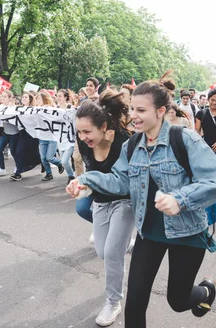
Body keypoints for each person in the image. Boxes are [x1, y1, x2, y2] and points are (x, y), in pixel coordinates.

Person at [67, 75, 216, 327]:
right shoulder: (132, 145)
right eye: (132, 108)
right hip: (148, 233)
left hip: (187, 234)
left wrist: (180, 199)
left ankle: (206, 290)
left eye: (141, 110)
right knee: (134, 306)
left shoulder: (184, 139)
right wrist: (87, 181)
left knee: (177, 301)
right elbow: (120, 182)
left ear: (161, 111)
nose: (134, 115)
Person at [69, 89, 134, 327]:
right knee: (102, 252)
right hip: (100, 203)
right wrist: (80, 187)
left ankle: (113, 302)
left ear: (104, 126)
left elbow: (123, 182)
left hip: (125, 201)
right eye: (79, 132)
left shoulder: (125, 141)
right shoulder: (84, 142)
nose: (83, 137)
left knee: (112, 254)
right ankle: (126, 240)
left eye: (87, 131)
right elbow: (90, 176)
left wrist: (87, 181)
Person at [37, 91, 64, 181]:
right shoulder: (36, 109)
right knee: (43, 158)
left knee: (49, 157)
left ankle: (60, 163)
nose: (37, 100)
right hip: (42, 136)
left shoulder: (52, 108)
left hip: (52, 136)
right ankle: (49, 174)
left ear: (44, 99)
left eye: (39, 98)